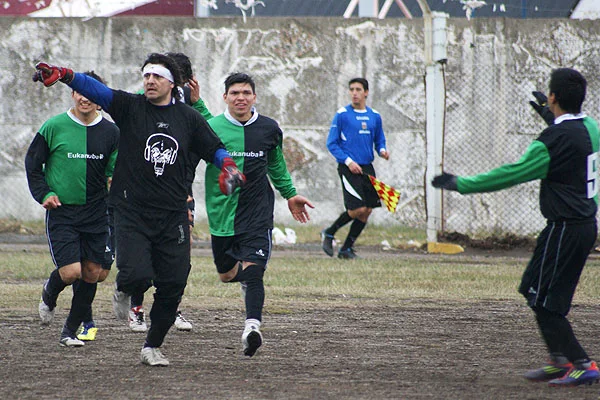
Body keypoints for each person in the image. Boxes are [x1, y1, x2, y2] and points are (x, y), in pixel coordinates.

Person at [32, 53, 245, 366]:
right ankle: (126, 288)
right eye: (146, 75)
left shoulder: (188, 118)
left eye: (157, 76)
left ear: (172, 83)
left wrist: (228, 167)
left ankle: (152, 346)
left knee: (173, 284)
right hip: (131, 210)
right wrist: (64, 73)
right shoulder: (130, 107)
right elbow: (96, 89)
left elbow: (214, 148)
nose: (149, 81)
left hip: (172, 213)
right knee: (136, 274)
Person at [432, 68, 600, 387]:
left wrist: (461, 184)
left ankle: (583, 364)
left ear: (552, 97)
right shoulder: (590, 126)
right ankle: (559, 360)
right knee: (531, 290)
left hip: (567, 229)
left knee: (548, 303)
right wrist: (552, 118)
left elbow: (512, 173)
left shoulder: (549, 143)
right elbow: (573, 141)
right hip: (575, 226)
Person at [205, 72, 314, 357]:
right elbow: (188, 162)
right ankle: (244, 280)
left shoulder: (269, 128)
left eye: (246, 93)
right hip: (222, 216)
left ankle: (252, 327)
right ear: (225, 97)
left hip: (258, 213)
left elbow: (276, 165)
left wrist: (290, 195)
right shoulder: (211, 127)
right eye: (235, 93)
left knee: (255, 271)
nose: (241, 98)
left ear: (254, 97)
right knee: (227, 275)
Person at [25, 71, 119, 347]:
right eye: (79, 92)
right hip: (63, 212)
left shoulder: (112, 132)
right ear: (72, 94)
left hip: (97, 213)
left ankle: (69, 331)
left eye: (90, 93)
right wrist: (45, 193)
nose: (84, 97)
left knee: (93, 273)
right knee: (71, 273)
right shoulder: (54, 126)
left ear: (100, 99)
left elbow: (116, 170)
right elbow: (33, 165)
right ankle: (49, 292)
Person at [124, 52, 212, 333]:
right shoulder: (145, 101)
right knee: (145, 258)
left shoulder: (190, 107)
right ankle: (136, 309)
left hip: (181, 191)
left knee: (178, 257)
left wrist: (199, 103)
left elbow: (211, 135)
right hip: (145, 195)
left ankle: (170, 308)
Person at [321, 78, 389, 259]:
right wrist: (349, 161)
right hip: (348, 168)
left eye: (358, 89)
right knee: (357, 209)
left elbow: (379, 139)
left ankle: (346, 249)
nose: (354, 93)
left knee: (367, 210)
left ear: (366, 92)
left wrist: (382, 150)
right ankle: (329, 232)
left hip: (367, 168)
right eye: (351, 89)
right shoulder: (342, 115)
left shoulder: (374, 115)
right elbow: (332, 144)